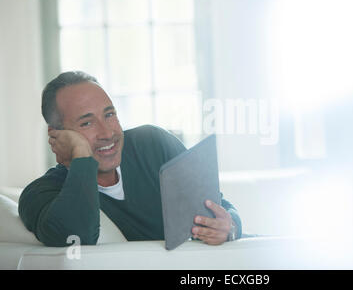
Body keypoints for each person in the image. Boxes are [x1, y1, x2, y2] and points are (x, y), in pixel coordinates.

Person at [18, 71, 241, 247]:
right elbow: (77, 238)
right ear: (56, 134)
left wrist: (229, 226)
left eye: (110, 114)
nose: (107, 133)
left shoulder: (153, 144)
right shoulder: (40, 194)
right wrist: (81, 155)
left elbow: (220, 207)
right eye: (86, 123)